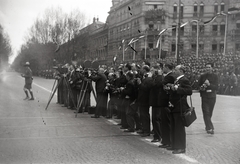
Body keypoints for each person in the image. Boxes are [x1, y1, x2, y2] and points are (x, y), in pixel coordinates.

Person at [168, 65, 192, 154]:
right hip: (174, 106)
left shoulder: (184, 80)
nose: (174, 71)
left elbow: (189, 91)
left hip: (180, 107)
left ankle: (180, 147)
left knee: (179, 128)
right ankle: (174, 145)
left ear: (181, 71)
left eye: (176, 69)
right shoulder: (177, 80)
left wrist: (178, 88)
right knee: (174, 126)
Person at [198, 63, 218, 134]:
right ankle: (210, 127)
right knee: (206, 112)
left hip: (212, 96)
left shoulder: (215, 76)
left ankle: (207, 126)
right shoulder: (202, 76)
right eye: (206, 67)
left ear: (212, 68)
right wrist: (202, 87)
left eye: (209, 67)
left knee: (210, 113)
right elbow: (199, 86)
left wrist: (209, 85)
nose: (207, 69)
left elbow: (217, 87)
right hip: (204, 96)